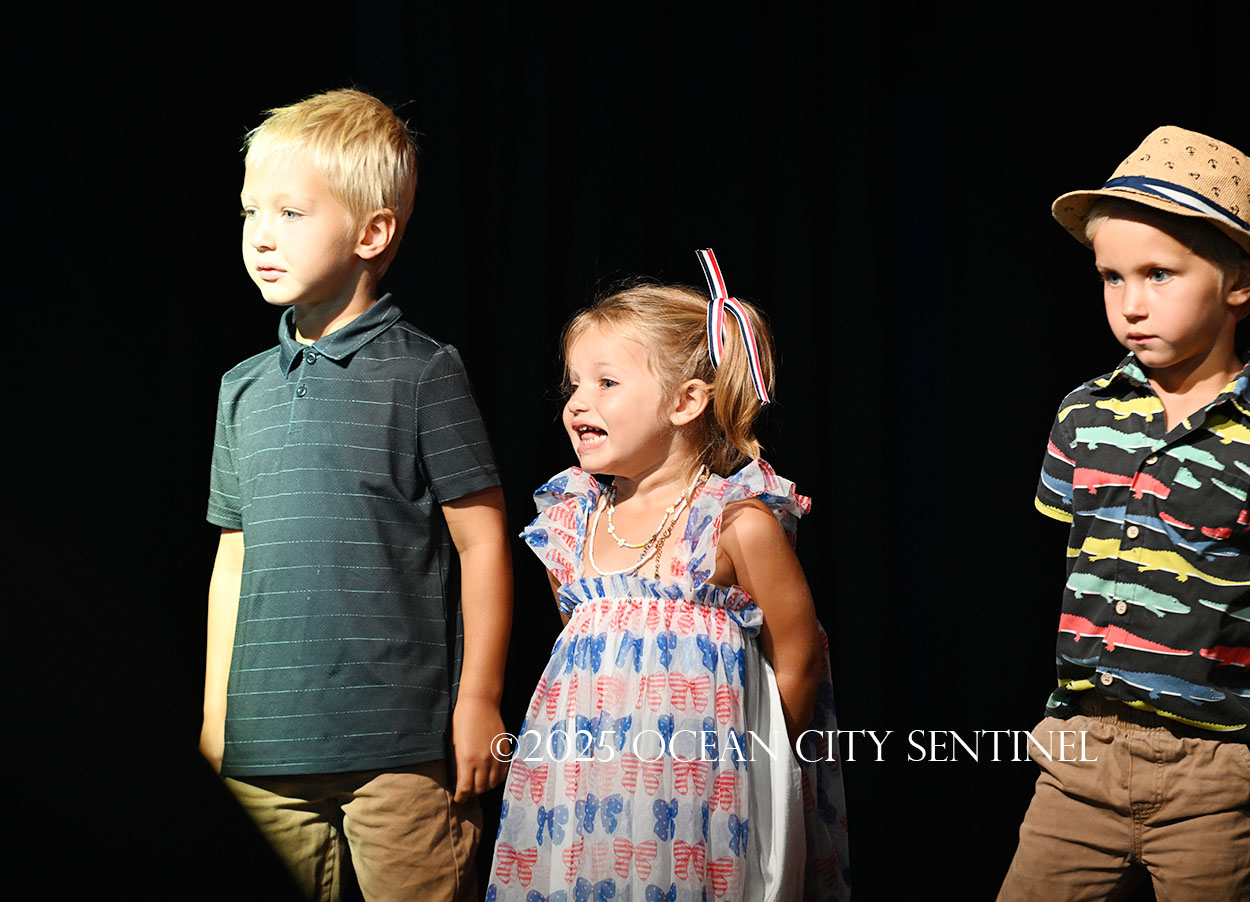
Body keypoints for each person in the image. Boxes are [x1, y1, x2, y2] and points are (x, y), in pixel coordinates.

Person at [201, 89, 512, 902]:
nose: (261, 235)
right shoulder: (242, 389)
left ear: (372, 233)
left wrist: (478, 700)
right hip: (266, 748)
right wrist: (216, 713)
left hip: (400, 749)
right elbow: (234, 557)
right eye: (250, 212)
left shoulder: (424, 371)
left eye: (290, 212)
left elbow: (482, 542)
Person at [487, 251, 851, 902]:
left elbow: (798, 657)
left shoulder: (734, 521)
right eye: (574, 385)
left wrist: (762, 774)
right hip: (585, 789)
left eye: (606, 383)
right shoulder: (573, 526)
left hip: (698, 792)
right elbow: (583, 651)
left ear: (686, 402)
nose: (577, 403)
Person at [998, 126, 1250, 900]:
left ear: (1239, 283)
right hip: (1078, 760)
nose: (1131, 304)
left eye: (1159, 274)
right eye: (1112, 277)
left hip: (1215, 773)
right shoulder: (1084, 414)